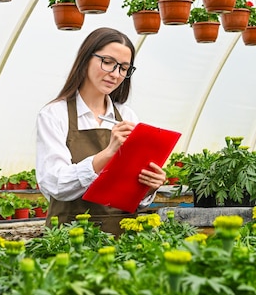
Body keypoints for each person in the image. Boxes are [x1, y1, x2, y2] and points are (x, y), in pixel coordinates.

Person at [35, 27, 167, 235]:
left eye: (124, 68)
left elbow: (133, 198)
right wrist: (107, 154)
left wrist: (148, 186)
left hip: (121, 238)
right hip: (70, 236)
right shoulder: (54, 114)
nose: (115, 74)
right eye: (107, 62)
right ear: (87, 58)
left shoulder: (127, 116)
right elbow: (56, 184)